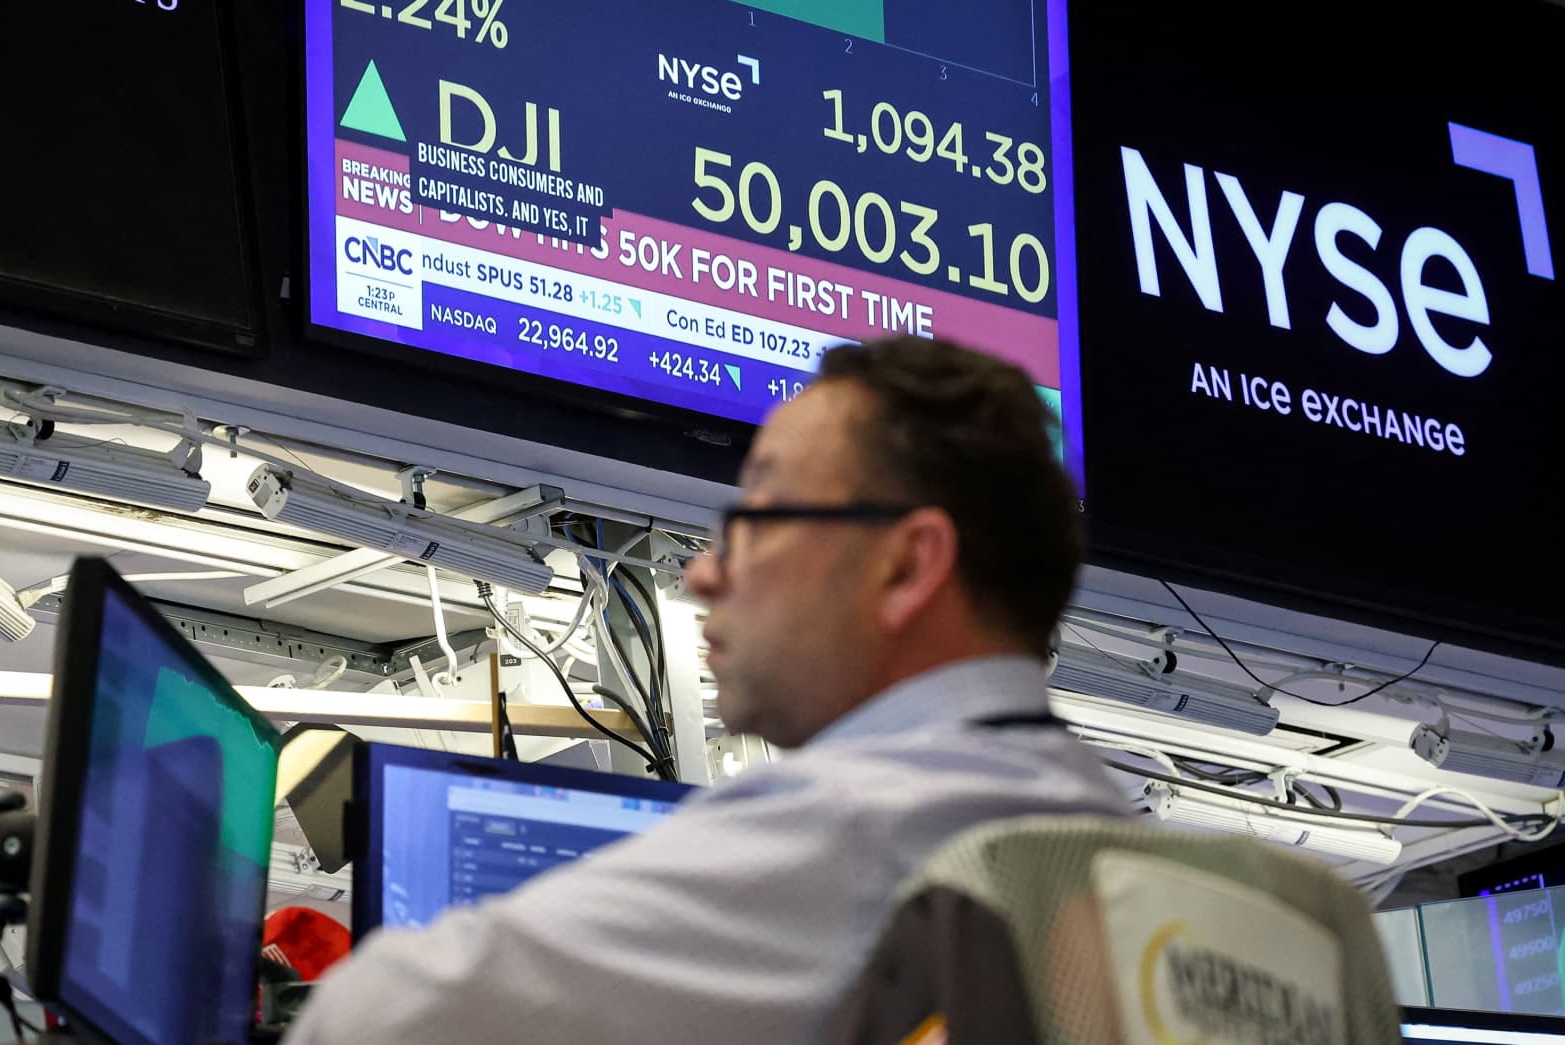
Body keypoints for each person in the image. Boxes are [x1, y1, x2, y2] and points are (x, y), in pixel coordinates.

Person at [283, 335, 1126, 1045]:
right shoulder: (1111, 841)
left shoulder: (861, 826)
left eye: (759, 516)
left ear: (906, 564)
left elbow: (380, 1020)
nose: (705, 571)